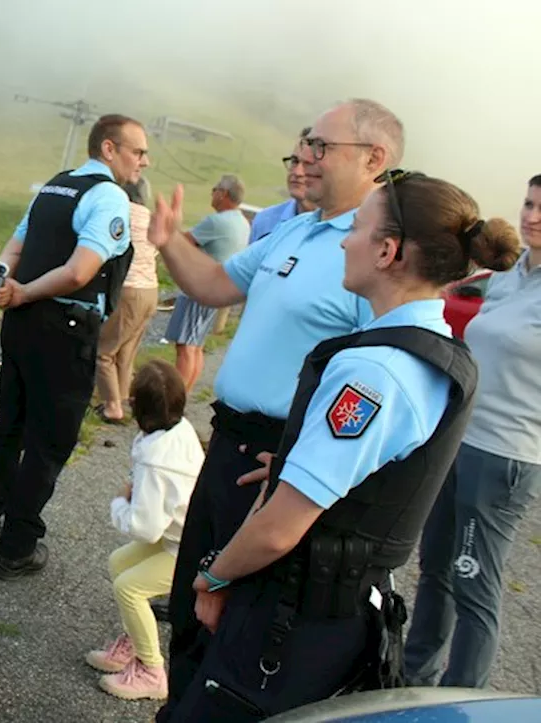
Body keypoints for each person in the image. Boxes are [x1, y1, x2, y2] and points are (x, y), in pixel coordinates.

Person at [164, 170, 519, 721]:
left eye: (356, 229)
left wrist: (213, 576)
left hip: (295, 617)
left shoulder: (371, 372)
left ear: (387, 251)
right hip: (341, 611)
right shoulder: (432, 348)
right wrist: (292, 465)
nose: (345, 241)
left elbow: (280, 526)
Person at [148, 99, 403, 722]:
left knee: (234, 623)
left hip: (276, 459)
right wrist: (168, 241)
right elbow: (212, 286)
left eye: (321, 147)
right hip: (227, 443)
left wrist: (303, 458)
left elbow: (376, 376)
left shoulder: (373, 258)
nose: (305, 159)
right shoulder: (294, 228)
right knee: (190, 605)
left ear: (375, 159)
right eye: (304, 146)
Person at [0, 114, 147, 580]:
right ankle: (18, 547)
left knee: (9, 428)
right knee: (49, 442)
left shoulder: (54, 187)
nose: (143, 160)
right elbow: (82, 271)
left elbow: (14, 247)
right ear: (108, 148)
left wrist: (6, 282)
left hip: (22, 325)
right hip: (64, 326)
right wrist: (19, 291)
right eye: (137, 151)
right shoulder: (108, 197)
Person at [405, 174, 541, 688]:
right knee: (435, 570)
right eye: (529, 203)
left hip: (505, 454)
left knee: (474, 583)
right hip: (460, 440)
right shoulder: (508, 277)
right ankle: (414, 683)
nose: (532, 216)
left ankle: (462, 702)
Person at [85, 360, 204, 701]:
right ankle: (135, 644)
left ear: (138, 407)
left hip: (187, 547)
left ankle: (152, 671)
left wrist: (120, 503)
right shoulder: (178, 429)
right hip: (179, 536)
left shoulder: (158, 460)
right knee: (118, 564)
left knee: (129, 588)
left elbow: (144, 528)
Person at [164, 174, 251, 393]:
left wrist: (174, 219)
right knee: (197, 346)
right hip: (217, 289)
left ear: (223, 194)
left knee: (185, 346)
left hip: (198, 288)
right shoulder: (241, 221)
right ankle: (185, 394)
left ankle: (175, 398)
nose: (211, 194)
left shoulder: (217, 221)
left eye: (214, 189)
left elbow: (182, 242)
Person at [94, 177, 157, 424]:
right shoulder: (150, 217)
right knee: (126, 352)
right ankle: (122, 401)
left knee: (104, 351)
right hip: (150, 289)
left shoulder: (122, 212)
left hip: (129, 289)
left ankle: (112, 407)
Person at [248, 127, 318, 244]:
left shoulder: (346, 229)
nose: (297, 172)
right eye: (294, 161)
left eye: (308, 164)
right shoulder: (265, 220)